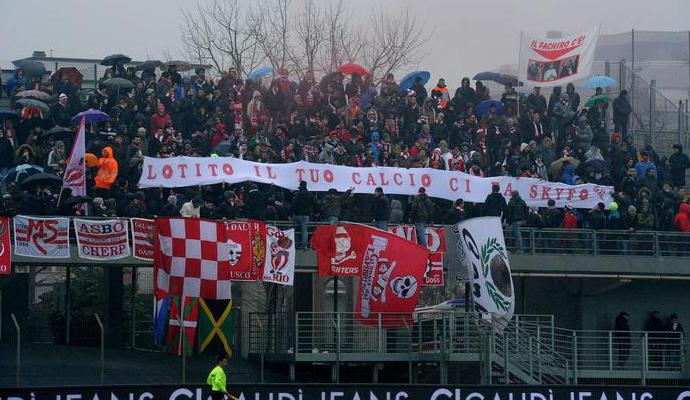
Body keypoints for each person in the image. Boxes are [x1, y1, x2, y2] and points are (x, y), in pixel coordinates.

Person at [291, 181, 315, 250]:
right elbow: (314, 203)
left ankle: (294, 243)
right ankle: (304, 245)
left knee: (292, 228)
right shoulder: (310, 194)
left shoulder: (298, 194)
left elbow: (294, 204)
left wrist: (290, 213)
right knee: (305, 230)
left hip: (297, 215)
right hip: (306, 216)